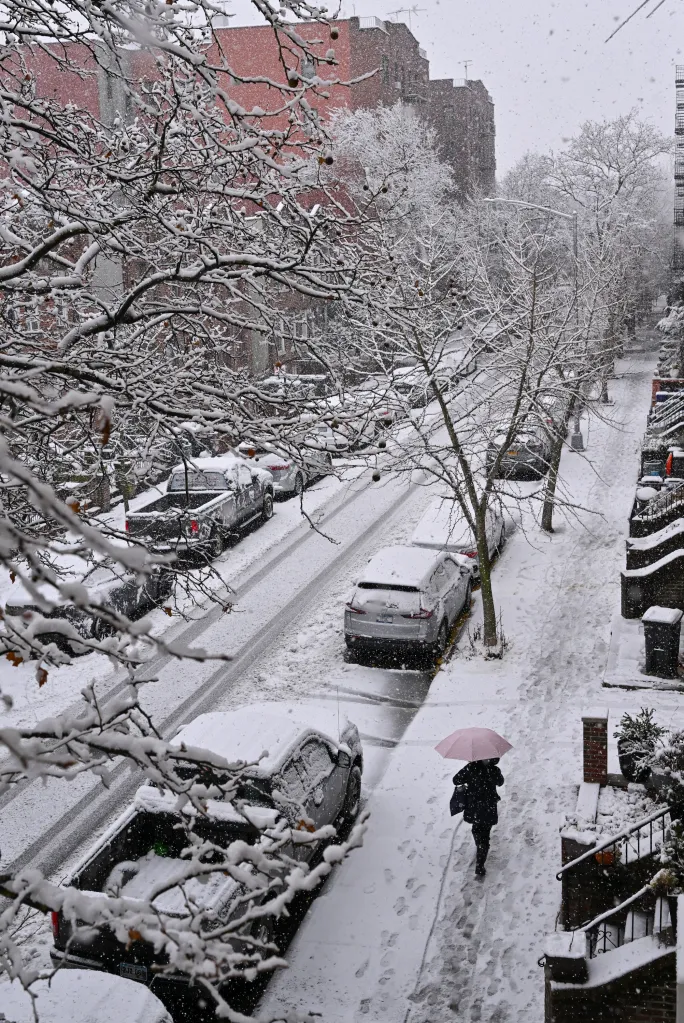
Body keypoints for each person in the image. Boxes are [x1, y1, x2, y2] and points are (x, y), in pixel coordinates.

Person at [452, 758, 504, 877]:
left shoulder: (471, 768)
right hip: (488, 807)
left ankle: (479, 845)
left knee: (476, 829)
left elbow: (456, 780)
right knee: (485, 833)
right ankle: (480, 860)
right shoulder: (494, 770)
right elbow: (500, 782)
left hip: (474, 806)